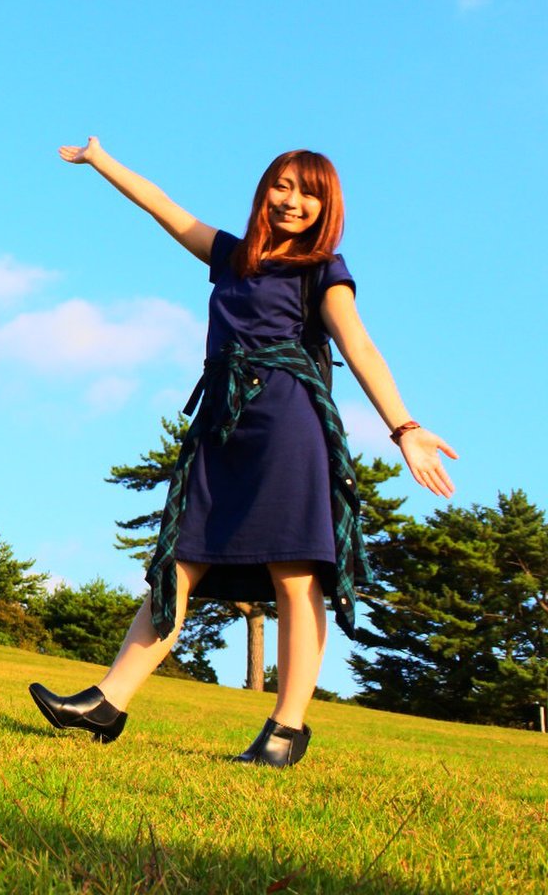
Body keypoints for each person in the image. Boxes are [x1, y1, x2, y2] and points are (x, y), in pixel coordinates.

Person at [30, 138, 457, 767]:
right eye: (283, 186)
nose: (292, 201)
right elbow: (164, 209)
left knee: (295, 569)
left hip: (288, 420)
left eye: (308, 193)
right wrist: (101, 160)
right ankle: (108, 701)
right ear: (265, 190)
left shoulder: (323, 270)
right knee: (179, 558)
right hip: (222, 422)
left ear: (325, 206)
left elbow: (361, 347)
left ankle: (286, 730)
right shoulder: (233, 255)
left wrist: (405, 427)